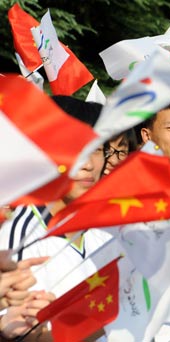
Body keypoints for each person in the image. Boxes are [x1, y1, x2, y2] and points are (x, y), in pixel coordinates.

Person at [0, 96, 114, 340]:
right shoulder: (17, 234)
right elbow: (19, 332)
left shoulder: (106, 233)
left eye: (97, 149)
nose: (89, 165)